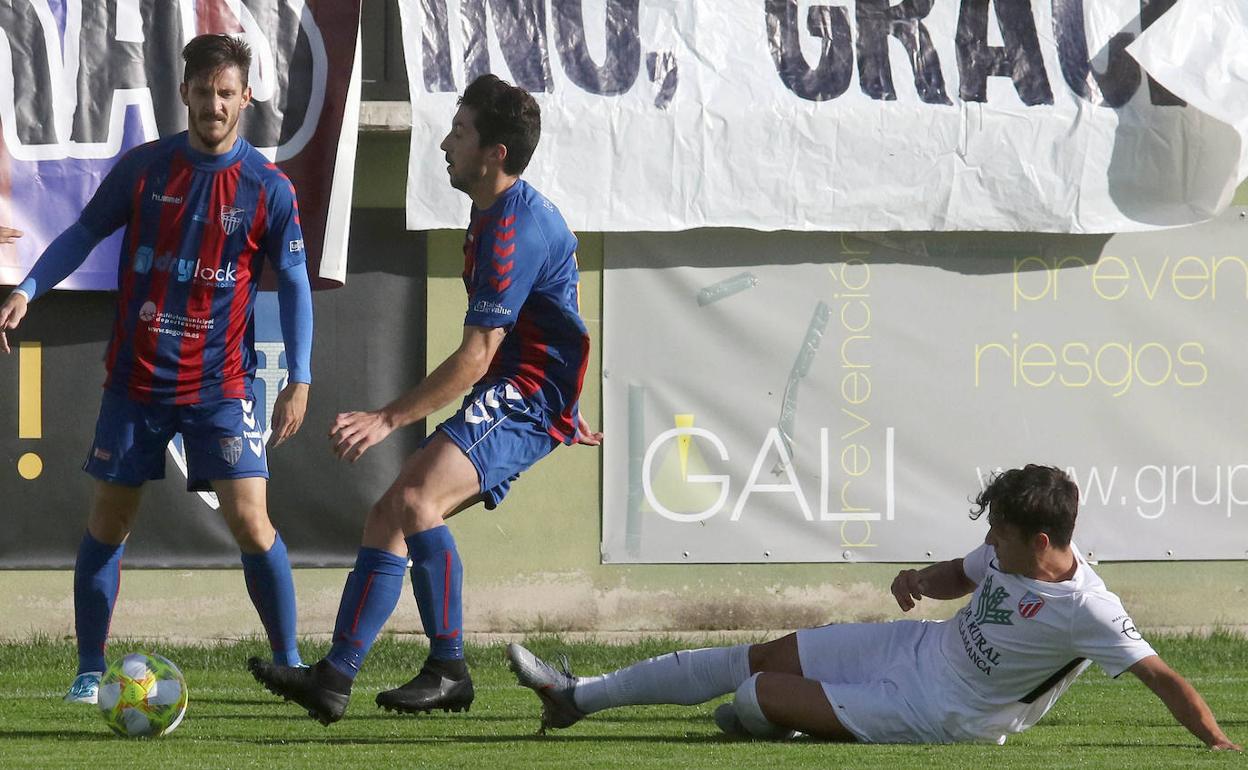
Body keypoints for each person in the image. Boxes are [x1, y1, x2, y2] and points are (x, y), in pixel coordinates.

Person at [248, 73, 600, 725]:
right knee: (390, 513)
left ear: (494, 153)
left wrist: (386, 419)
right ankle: (333, 678)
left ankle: (449, 668)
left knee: (415, 501)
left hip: (527, 396)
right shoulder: (493, 209)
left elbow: (477, 356)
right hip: (519, 386)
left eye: (460, 133)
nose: (445, 143)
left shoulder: (512, 229)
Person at [0, 34, 313, 704]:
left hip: (222, 385)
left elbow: (292, 281)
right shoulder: (145, 170)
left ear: (246, 97)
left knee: (251, 522)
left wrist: (301, 378)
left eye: (226, 94)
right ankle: (88, 670)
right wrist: (28, 288)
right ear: (185, 94)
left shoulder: (268, 188)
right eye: (203, 93)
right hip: (136, 381)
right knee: (109, 523)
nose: (214, 105)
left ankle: (290, 664)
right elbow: (83, 233)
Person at [507, 465, 1240, 750]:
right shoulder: (1008, 553)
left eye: (1001, 532)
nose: (990, 540)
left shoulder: (1092, 610)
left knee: (752, 696)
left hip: (944, 713)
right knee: (758, 659)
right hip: (914, 652)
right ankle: (576, 698)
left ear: (1041, 540)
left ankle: (779, 719)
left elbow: (1164, 678)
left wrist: (1216, 743)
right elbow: (962, 570)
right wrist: (923, 578)